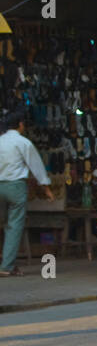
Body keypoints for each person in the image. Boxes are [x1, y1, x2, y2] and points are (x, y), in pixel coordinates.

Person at [0, 109, 53, 277]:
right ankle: (6, 266)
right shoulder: (23, 142)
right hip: (15, 187)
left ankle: (7, 263)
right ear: (21, 125)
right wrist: (46, 189)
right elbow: (36, 166)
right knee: (14, 227)